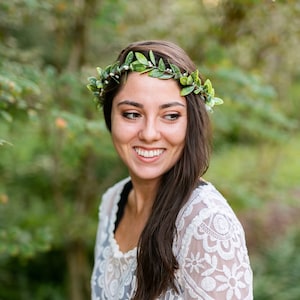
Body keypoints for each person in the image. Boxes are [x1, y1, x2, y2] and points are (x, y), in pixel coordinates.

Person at [87, 40, 253, 300]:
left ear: (191, 124)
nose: (150, 134)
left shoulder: (207, 224)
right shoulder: (112, 202)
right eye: (132, 114)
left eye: (171, 116)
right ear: (110, 118)